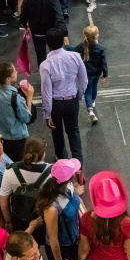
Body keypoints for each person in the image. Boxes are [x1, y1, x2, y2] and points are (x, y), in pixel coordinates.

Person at [37, 158, 83, 260]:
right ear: (66, 179)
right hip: (62, 249)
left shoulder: (68, 186)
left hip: (73, 239)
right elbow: (53, 238)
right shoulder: (52, 207)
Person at [41, 28, 87, 163]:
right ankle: (78, 163)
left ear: (48, 44)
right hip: (72, 100)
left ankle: (62, 160)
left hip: (55, 104)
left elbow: (46, 93)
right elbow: (84, 81)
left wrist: (47, 113)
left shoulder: (45, 65)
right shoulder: (75, 57)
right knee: (73, 132)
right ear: (63, 41)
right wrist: (78, 96)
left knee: (57, 133)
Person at [19, 0, 68, 66]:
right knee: (55, 55)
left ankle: (44, 76)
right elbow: (59, 17)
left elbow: (23, 15)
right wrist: (64, 33)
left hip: (36, 33)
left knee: (40, 57)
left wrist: (24, 24)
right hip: (51, 33)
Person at [0, 63, 33, 162]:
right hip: (15, 138)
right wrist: (29, 98)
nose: (16, 72)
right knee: (16, 164)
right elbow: (26, 118)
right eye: (14, 71)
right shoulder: (14, 97)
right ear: (7, 79)